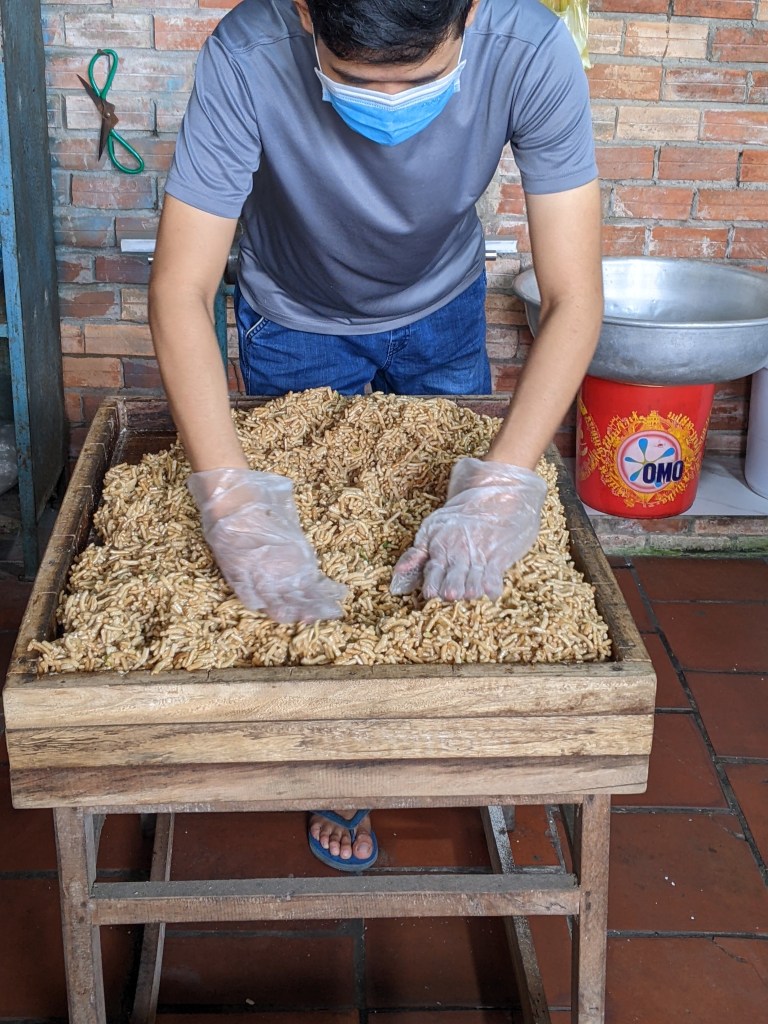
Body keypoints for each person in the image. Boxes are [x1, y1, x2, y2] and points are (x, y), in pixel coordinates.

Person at [148, 0, 603, 872]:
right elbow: (179, 288)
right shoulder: (247, 54)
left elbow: (576, 296)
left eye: (419, 80)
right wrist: (232, 503)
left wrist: (502, 486)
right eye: (356, 81)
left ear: (470, 12)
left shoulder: (529, 47)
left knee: (455, 550)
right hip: (295, 320)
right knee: (302, 564)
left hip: (442, 310)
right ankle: (339, 764)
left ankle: (450, 729)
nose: (390, 107)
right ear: (305, 11)